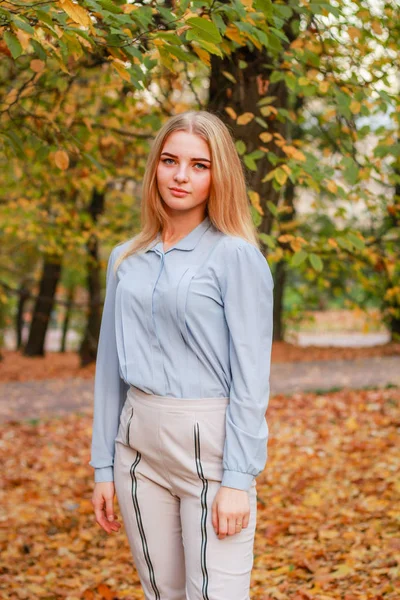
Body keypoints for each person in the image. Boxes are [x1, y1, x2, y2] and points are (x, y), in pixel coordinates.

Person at [89, 110, 274, 600]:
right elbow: (110, 370)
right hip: (137, 450)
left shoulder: (235, 256)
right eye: (170, 161)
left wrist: (238, 478)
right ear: (155, 167)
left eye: (199, 165)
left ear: (219, 176)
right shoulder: (125, 258)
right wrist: (102, 467)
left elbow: (252, 379)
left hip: (209, 452)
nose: (181, 176)